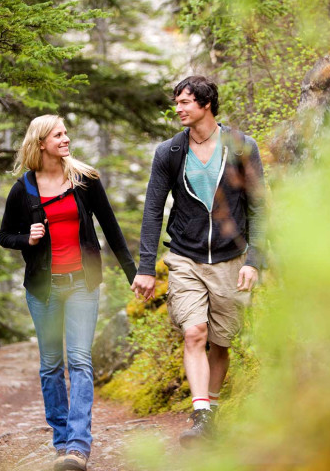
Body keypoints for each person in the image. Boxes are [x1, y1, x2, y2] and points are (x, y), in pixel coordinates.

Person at [130, 76, 265, 446]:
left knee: (221, 342)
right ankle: (201, 412)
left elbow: (260, 208)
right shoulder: (170, 153)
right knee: (194, 332)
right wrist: (145, 268)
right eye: (176, 102)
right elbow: (153, 211)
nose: (178, 108)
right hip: (185, 256)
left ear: (206, 104)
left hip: (230, 259)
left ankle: (213, 411)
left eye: (186, 102)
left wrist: (254, 259)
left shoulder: (241, 147)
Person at [0, 115, 137, 471]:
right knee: (51, 366)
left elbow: (111, 227)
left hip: (81, 284)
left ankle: (78, 446)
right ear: (41, 142)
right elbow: (5, 236)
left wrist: (134, 273)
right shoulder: (24, 189)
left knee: (79, 361)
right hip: (43, 290)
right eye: (58, 134)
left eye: (65, 133)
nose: (66, 138)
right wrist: (26, 238)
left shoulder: (84, 180)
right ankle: (61, 442)